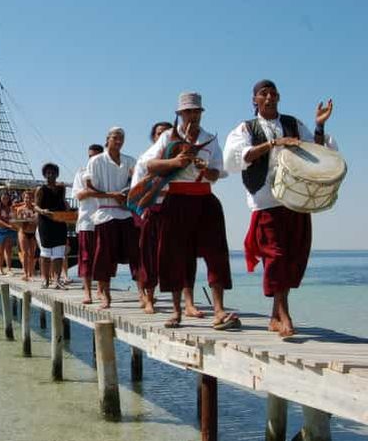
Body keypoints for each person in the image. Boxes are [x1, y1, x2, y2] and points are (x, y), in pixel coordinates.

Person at [223, 79, 335, 338]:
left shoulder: (293, 123)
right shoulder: (246, 128)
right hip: (266, 200)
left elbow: (316, 151)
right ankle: (284, 314)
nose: (270, 97)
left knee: (294, 256)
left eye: (274, 93)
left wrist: (319, 125)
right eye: (264, 94)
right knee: (276, 256)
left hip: (295, 199)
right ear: (255, 100)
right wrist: (273, 144)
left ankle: (275, 316)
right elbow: (237, 158)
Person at [143, 92, 236, 329]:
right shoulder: (168, 137)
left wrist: (205, 169)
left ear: (201, 113)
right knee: (173, 254)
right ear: (180, 114)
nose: (192, 116)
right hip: (175, 200)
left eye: (196, 111)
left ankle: (218, 310)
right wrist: (175, 163)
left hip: (205, 197)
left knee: (216, 254)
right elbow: (150, 165)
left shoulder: (210, 139)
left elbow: (218, 173)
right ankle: (176, 311)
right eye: (188, 112)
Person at [84, 128, 139, 308]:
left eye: (121, 138)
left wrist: (128, 193)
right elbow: (90, 190)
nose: (118, 141)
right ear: (107, 139)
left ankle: (143, 293)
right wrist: (112, 194)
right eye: (115, 137)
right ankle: (105, 294)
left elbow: (138, 185)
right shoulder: (96, 161)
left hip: (125, 212)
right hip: (105, 213)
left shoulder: (130, 161)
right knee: (103, 255)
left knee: (135, 253)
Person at [130, 121, 172, 313]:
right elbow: (136, 190)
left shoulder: (179, 158)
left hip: (171, 209)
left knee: (172, 254)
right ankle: (149, 298)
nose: (163, 136)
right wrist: (142, 211)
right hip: (150, 210)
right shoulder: (145, 159)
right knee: (148, 255)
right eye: (159, 133)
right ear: (153, 137)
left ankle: (182, 300)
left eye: (167, 133)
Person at [72, 144, 104, 303]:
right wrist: (94, 191)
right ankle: (87, 293)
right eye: (90, 156)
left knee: (103, 257)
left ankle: (101, 289)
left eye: (96, 156)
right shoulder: (81, 173)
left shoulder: (107, 174)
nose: (93, 159)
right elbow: (79, 195)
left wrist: (93, 191)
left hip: (105, 218)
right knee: (85, 258)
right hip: (86, 220)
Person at [34, 163, 68, 289]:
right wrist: (43, 211)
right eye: (48, 173)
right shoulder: (40, 189)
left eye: (53, 173)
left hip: (59, 222)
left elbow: (62, 201)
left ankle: (57, 279)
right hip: (45, 222)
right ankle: (45, 279)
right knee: (46, 253)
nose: (50, 175)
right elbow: (36, 206)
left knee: (59, 253)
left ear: (57, 174)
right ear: (44, 175)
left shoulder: (61, 188)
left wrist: (66, 207)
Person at [14, 190, 38, 281]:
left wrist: (32, 219)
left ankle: (30, 273)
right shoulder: (20, 209)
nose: (27, 199)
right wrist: (24, 219)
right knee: (25, 253)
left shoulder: (35, 208)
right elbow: (18, 222)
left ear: (32, 198)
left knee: (32, 254)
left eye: (29, 197)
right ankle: (25, 273)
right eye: (26, 198)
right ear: (23, 198)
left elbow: (37, 221)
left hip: (33, 232)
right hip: (23, 231)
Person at [0, 192, 17, 275]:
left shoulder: (10, 207)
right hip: (1, 230)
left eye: (7, 198)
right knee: (1, 250)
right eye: (3, 198)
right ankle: (0, 268)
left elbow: (13, 217)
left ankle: (9, 268)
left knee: (9, 249)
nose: (5, 200)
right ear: (0, 198)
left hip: (10, 230)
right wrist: (8, 225)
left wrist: (13, 225)